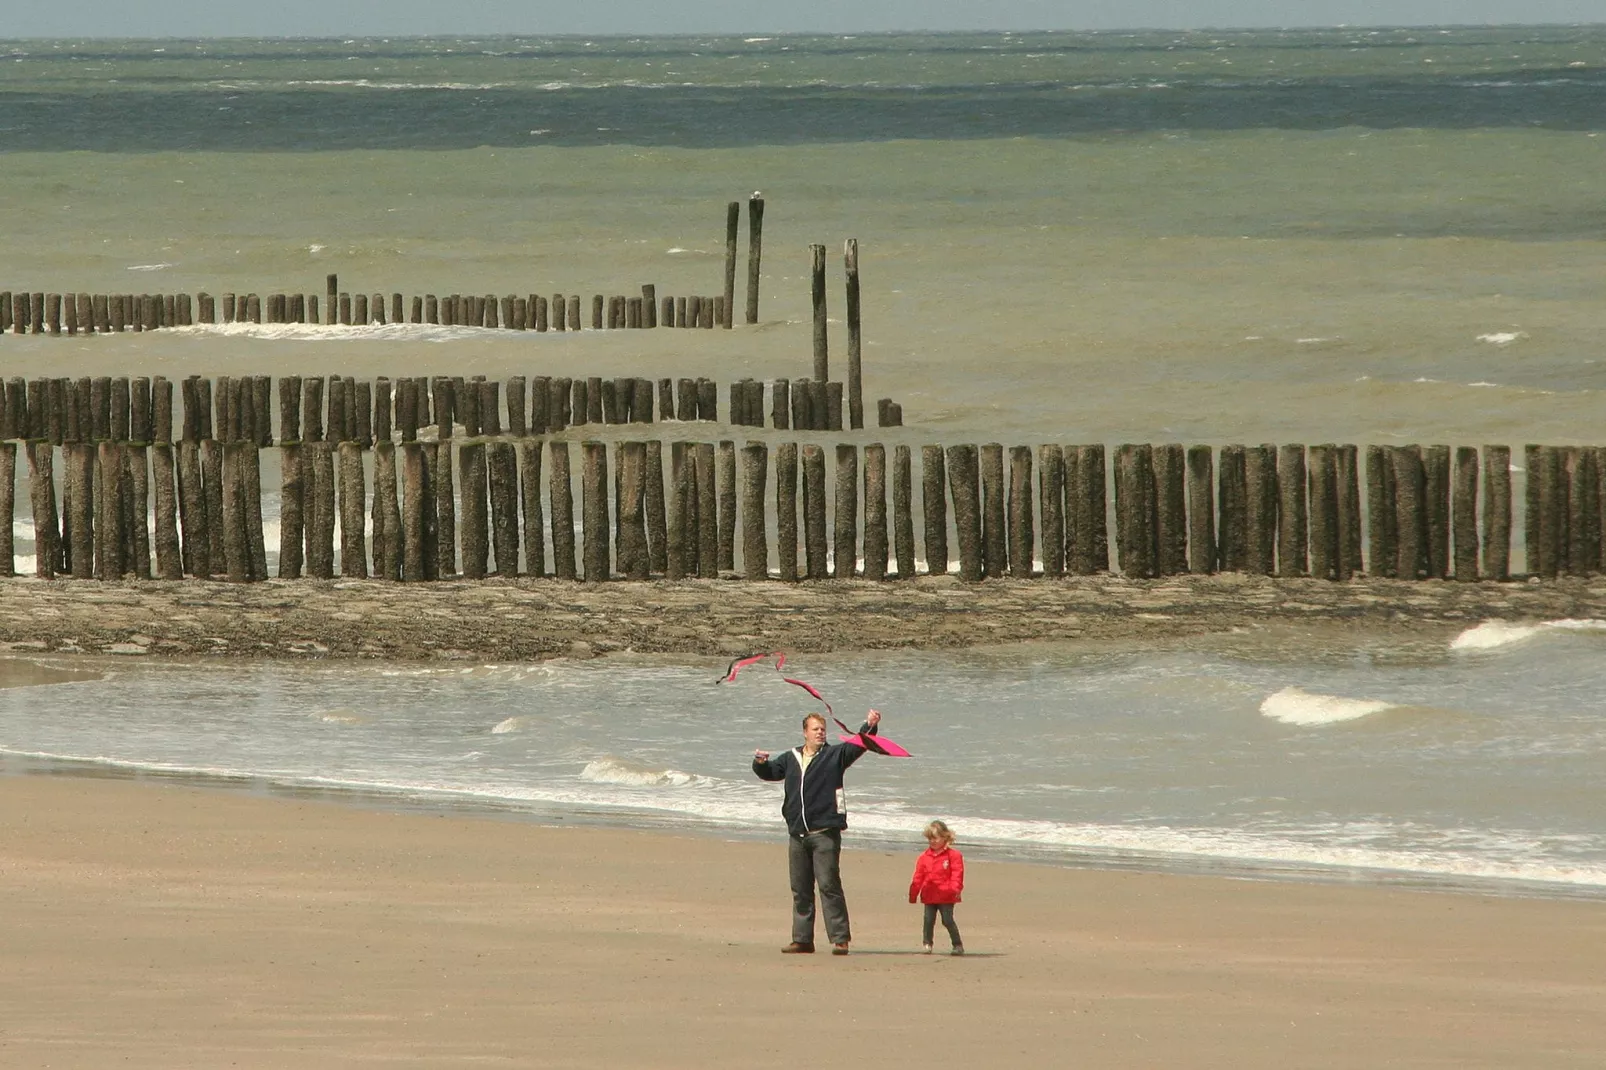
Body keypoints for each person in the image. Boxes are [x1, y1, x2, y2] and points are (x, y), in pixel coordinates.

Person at [752, 708, 882, 956]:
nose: (820, 732)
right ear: (805, 733)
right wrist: (759, 763)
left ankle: (840, 939)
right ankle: (802, 939)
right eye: (815, 729)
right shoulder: (790, 758)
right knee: (800, 888)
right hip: (797, 834)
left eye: (823, 729)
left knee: (829, 885)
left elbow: (859, 745)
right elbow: (770, 773)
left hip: (825, 832)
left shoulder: (835, 755)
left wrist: (869, 725)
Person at [908, 819, 964, 955]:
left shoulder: (953, 855)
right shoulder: (924, 857)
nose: (933, 841)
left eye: (935, 838)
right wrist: (913, 893)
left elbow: (957, 873)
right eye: (930, 839)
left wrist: (955, 889)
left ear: (945, 837)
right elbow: (918, 877)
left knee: (947, 920)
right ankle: (927, 943)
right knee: (928, 920)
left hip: (947, 895)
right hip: (929, 894)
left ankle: (957, 944)